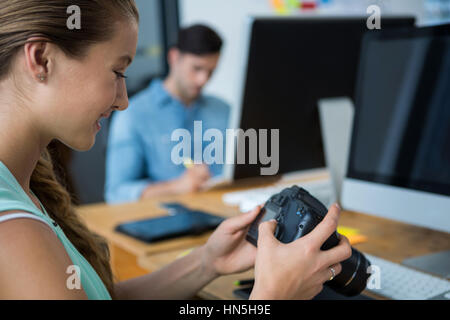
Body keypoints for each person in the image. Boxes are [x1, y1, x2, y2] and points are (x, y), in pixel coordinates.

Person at [0, 0, 351, 300]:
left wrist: (207, 261)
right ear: (42, 59)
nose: (123, 100)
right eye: (117, 72)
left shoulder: (23, 188)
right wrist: (271, 295)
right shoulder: (13, 228)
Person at [105, 24, 230, 204]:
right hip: (169, 220)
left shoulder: (224, 110)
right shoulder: (133, 114)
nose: (203, 80)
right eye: (196, 68)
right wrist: (177, 187)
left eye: (211, 71)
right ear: (174, 57)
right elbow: (116, 194)